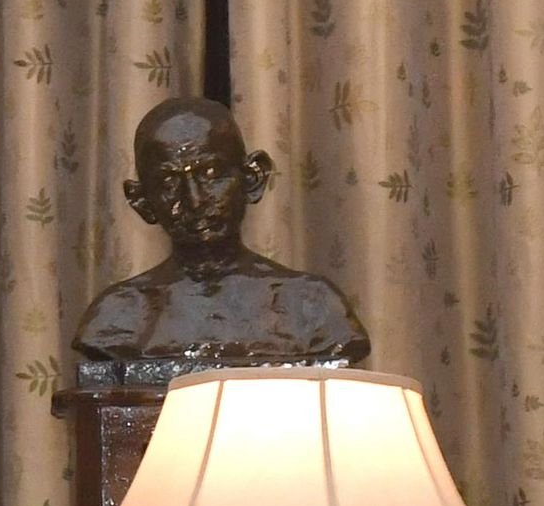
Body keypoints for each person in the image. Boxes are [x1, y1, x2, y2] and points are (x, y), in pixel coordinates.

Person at [70, 96, 371, 377]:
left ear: (252, 178)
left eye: (211, 173)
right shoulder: (118, 318)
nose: (194, 201)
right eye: (169, 183)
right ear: (142, 201)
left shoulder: (312, 307)